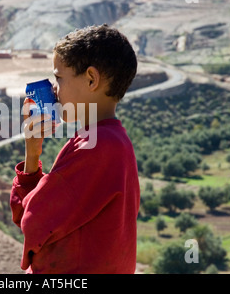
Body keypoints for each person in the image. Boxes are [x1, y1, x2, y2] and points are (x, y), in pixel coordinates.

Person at [10, 24, 140, 274]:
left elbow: (32, 221)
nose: (54, 89)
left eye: (59, 78)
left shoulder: (95, 148)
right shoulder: (114, 141)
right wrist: (33, 153)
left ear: (91, 79)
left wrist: (32, 156)